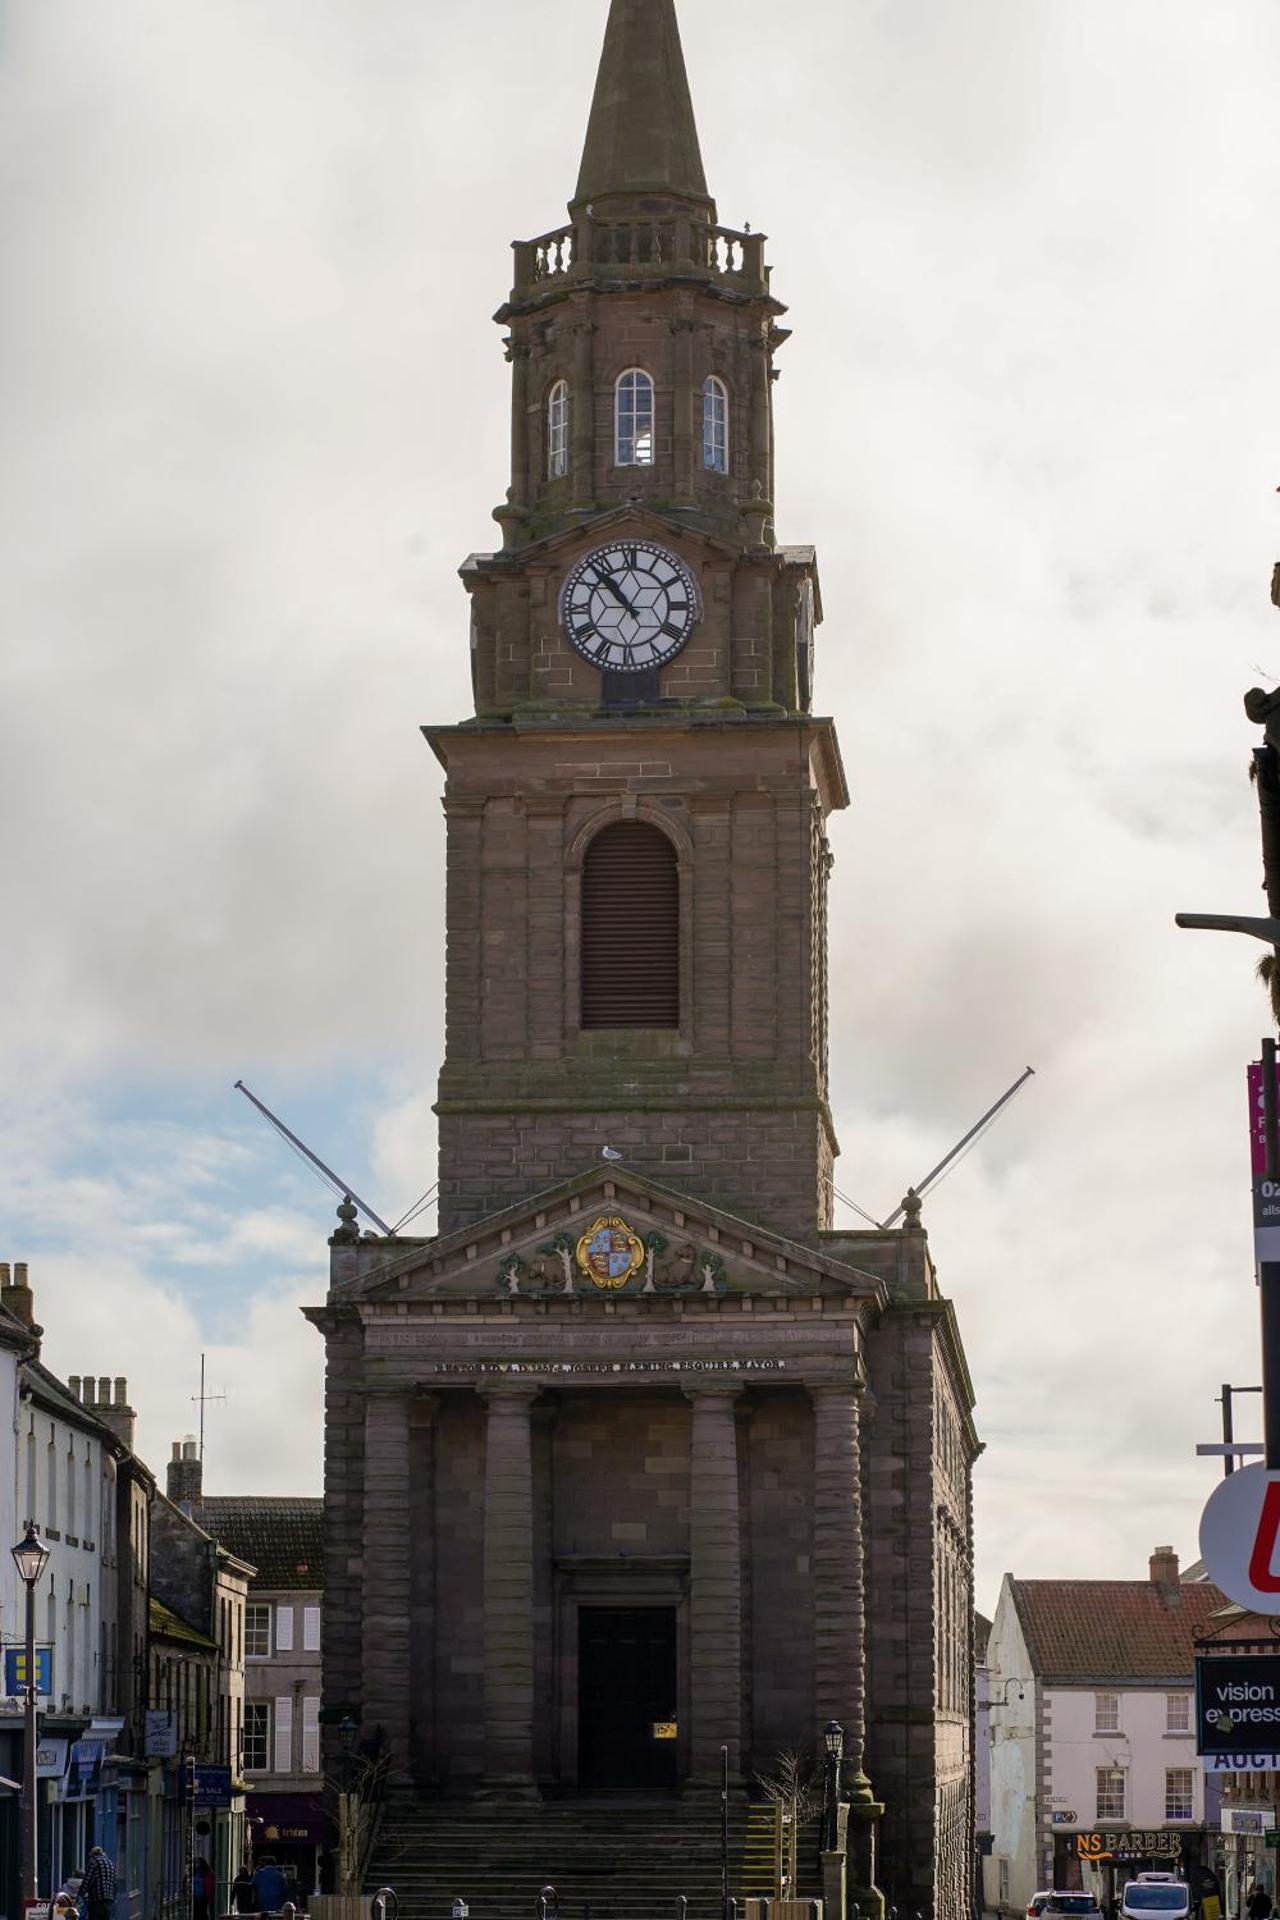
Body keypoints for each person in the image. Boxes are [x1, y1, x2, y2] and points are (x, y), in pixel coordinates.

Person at [80, 1847, 116, 1920]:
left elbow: (88, 1880)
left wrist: (80, 1893)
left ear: (92, 1854)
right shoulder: (111, 1863)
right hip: (108, 1900)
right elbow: (114, 1883)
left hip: (97, 1899)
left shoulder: (94, 1861)